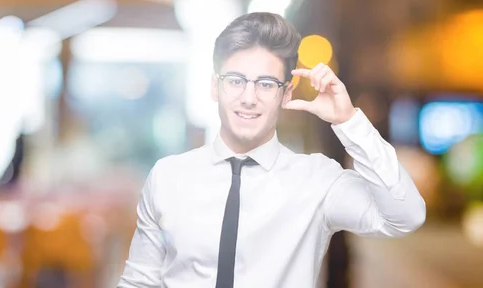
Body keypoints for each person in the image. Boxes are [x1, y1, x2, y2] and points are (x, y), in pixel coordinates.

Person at [118, 12, 426, 288]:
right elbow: (139, 281)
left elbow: (405, 216)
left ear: (286, 93)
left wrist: (349, 121)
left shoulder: (318, 181)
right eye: (236, 80)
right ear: (214, 86)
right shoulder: (168, 176)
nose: (249, 98)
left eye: (266, 84)